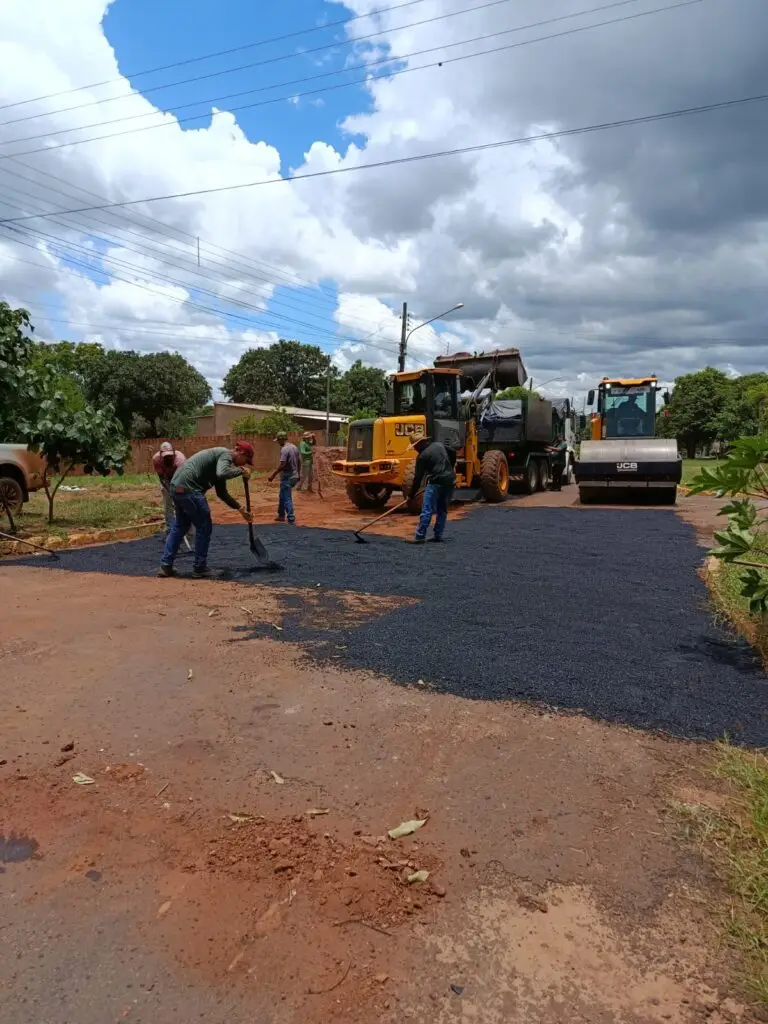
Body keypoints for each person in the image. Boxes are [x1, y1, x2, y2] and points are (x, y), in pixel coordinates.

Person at [157, 441, 254, 579]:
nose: (244, 464)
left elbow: (222, 493)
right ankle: (200, 567)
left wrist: (240, 509)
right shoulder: (225, 455)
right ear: (241, 453)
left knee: (181, 526)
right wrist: (241, 471)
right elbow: (222, 473)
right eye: (246, 460)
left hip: (177, 488)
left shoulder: (219, 461)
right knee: (204, 526)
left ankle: (165, 566)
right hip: (189, 489)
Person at [407, 436, 456, 544]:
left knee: (427, 510)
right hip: (450, 480)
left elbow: (418, 478)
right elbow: (453, 452)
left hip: (436, 482)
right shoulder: (439, 445)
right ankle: (438, 535)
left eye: (415, 446)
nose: (415, 448)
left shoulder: (422, 457)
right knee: (442, 509)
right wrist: (450, 467)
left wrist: (411, 494)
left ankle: (420, 536)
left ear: (420, 444)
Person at [152, 441, 193, 539]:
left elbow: (181, 480)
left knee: (183, 503)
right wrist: (169, 491)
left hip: (181, 479)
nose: (168, 458)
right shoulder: (156, 459)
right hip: (167, 479)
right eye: (165, 456)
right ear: (161, 454)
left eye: (170, 456)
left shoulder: (180, 459)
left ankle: (188, 531)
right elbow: (161, 477)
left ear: (174, 452)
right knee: (168, 506)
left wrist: (177, 494)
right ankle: (171, 531)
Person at [269, 432, 301, 524]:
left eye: (278, 440)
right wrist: (298, 474)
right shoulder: (294, 447)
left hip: (287, 477)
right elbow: (299, 461)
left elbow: (282, 464)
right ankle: (281, 515)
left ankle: (291, 518)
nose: (278, 442)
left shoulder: (284, 449)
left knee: (287, 498)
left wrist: (273, 475)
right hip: (294, 475)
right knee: (282, 496)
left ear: (281, 439)